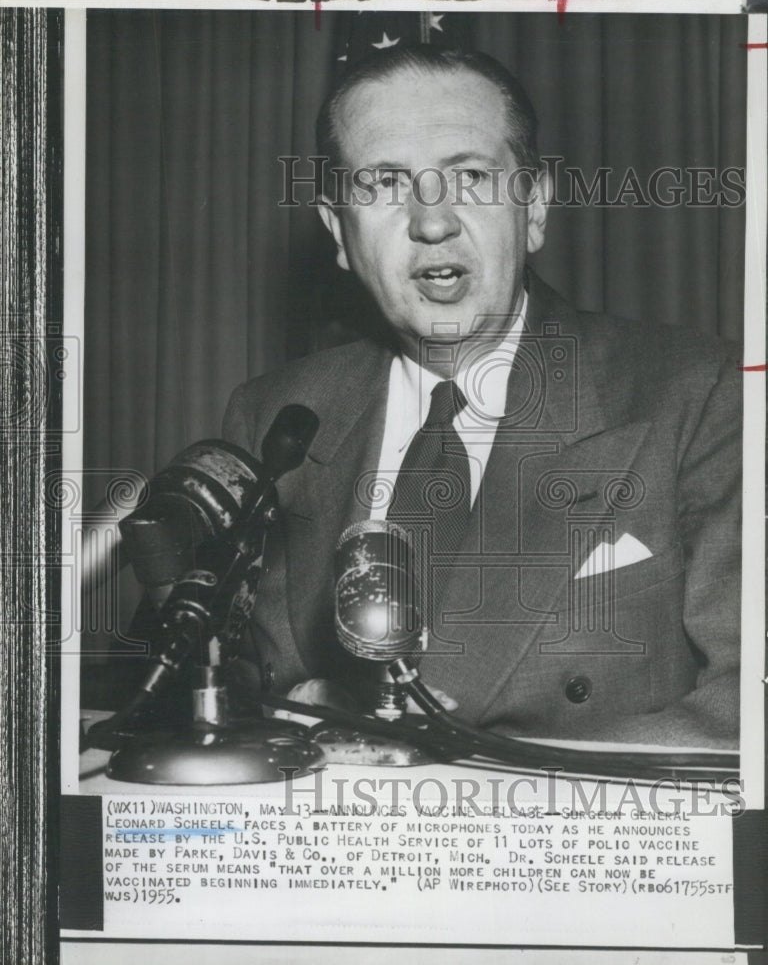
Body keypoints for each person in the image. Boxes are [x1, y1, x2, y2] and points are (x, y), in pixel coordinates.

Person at [222, 45, 741, 748]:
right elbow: (224, 684)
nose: (431, 221)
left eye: (469, 176)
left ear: (533, 207)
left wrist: (479, 786)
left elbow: (746, 701)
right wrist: (294, 715)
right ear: (338, 231)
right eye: (384, 182)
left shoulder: (696, 393)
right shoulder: (274, 418)